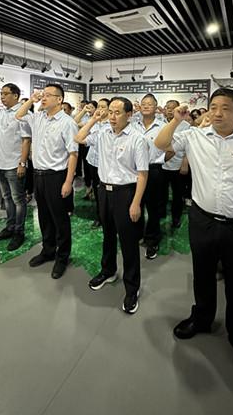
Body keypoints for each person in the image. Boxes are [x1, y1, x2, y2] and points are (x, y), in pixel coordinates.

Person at [155, 88, 233, 384]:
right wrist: (177, 119)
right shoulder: (195, 137)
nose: (218, 112)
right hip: (203, 221)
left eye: (226, 107)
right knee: (202, 275)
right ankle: (202, 318)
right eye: (214, 107)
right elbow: (161, 144)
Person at [75, 97, 148, 314]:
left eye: (117, 112)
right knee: (108, 235)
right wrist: (94, 119)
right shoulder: (102, 133)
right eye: (110, 112)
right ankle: (108, 271)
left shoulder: (137, 138)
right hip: (104, 191)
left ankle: (132, 288)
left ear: (129, 115)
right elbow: (79, 137)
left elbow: (142, 174)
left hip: (126, 193)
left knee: (128, 243)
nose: (112, 117)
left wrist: (136, 203)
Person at [15, 84, 78, 279]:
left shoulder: (67, 123)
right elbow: (19, 115)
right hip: (38, 175)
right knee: (44, 216)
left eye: (48, 95)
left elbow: (73, 154)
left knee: (60, 219)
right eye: (43, 95)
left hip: (56, 176)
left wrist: (68, 182)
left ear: (59, 100)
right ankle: (48, 250)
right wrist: (31, 100)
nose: (43, 98)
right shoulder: (38, 117)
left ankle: (62, 257)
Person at [0, 84, 31, 251]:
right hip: (1, 163)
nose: (2, 97)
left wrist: (22, 163)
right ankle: (10, 227)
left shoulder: (23, 114)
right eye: (1, 94)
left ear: (15, 96)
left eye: (5, 94)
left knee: (18, 200)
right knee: (7, 198)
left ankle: (19, 232)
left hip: (14, 164)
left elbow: (26, 140)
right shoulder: (2, 113)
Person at [132, 94, 166, 259]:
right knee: (135, 203)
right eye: (143, 104)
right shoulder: (132, 125)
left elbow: (171, 150)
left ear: (156, 107)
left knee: (153, 208)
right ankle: (137, 233)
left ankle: (152, 239)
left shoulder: (163, 126)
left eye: (149, 104)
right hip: (135, 171)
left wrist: (159, 162)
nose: (146, 106)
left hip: (154, 170)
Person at [76, 98, 111, 228]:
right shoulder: (93, 122)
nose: (100, 109)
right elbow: (76, 127)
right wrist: (92, 118)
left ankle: (108, 216)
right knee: (97, 191)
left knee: (106, 191)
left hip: (106, 163)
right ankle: (99, 216)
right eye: (99, 107)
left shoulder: (112, 124)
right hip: (92, 161)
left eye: (103, 107)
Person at [74, 100, 98, 198]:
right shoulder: (87, 118)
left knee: (94, 171)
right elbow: (75, 122)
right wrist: (83, 110)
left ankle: (94, 191)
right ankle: (88, 189)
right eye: (89, 107)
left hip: (93, 147)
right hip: (85, 145)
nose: (90, 109)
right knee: (87, 169)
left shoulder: (98, 120)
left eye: (92, 107)